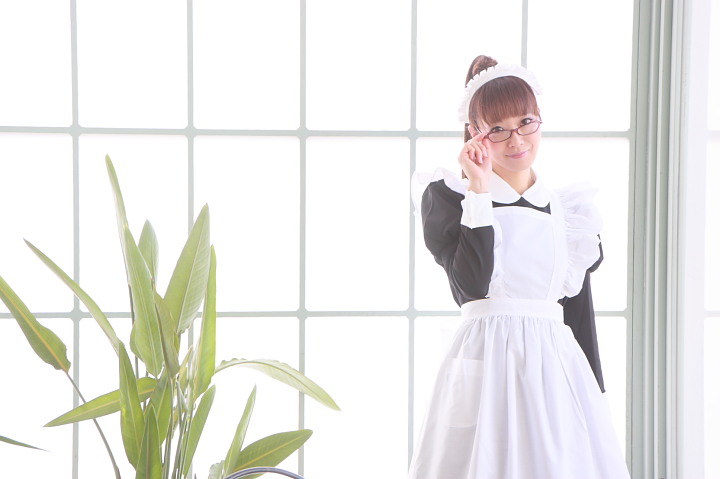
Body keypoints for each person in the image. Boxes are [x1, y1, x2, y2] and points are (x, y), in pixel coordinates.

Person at [408, 55, 631, 479]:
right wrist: (478, 189)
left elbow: (577, 310)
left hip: (555, 368)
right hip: (485, 362)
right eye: (498, 129)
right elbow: (471, 286)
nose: (516, 140)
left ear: (539, 119)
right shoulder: (451, 198)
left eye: (526, 122)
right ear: (475, 133)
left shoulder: (570, 212)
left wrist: (592, 391)